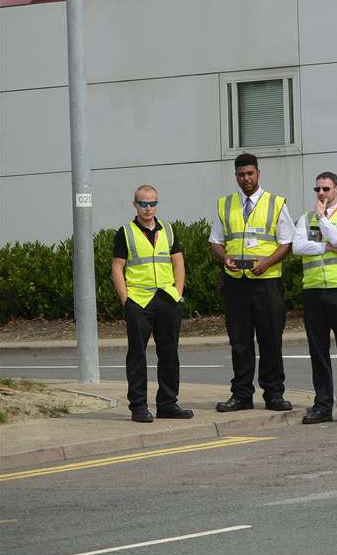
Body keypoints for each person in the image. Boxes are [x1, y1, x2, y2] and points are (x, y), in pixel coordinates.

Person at [209, 152, 295, 412]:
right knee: (240, 342)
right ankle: (242, 395)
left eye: (250, 174)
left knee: (270, 340)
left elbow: (286, 242)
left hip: (266, 283)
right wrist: (225, 258)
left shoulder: (276, 203)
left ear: (258, 173)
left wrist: (266, 263)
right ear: (235, 176)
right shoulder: (225, 205)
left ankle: (274, 395)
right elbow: (215, 242)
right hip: (236, 282)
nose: (246, 179)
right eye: (241, 174)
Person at [109, 184, 191, 423]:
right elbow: (117, 268)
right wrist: (126, 301)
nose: (148, 208)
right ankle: (138, 407)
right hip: (139, 301)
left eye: (152, 203)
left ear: (157, 204)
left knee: (169, 353)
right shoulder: (125, 232)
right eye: (143, 203)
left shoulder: (168, 229)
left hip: (167, 299)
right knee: (137, 355)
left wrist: (178, 293)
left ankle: (167, 403)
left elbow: (179, 263)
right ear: (134, 204)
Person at [292, 170, 337, 425]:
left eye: (326, 189)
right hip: (314, 292)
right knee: (318, 351)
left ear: (336, 190)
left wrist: (323, 220)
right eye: (318, 190)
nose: (321, 194)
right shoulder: (305, 218)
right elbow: (297, 247)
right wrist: (328, 246)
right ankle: (322, 405)